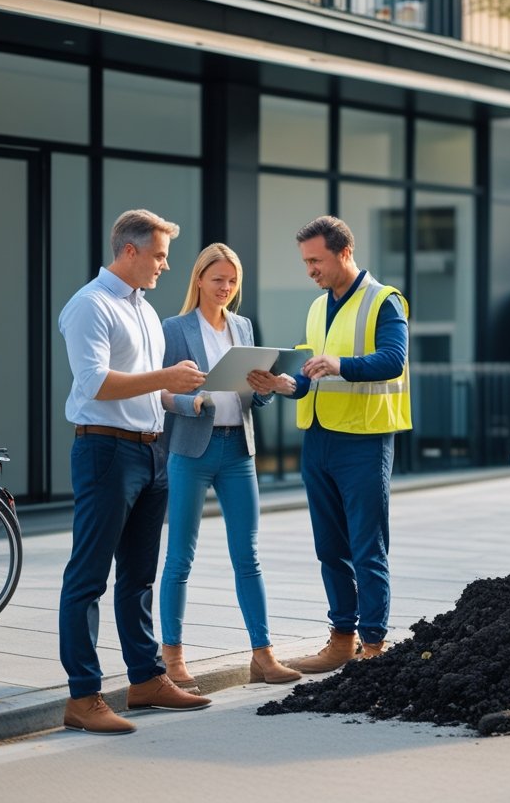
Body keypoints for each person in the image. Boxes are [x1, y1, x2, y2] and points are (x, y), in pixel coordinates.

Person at [58, 209, 211, 736]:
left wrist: (186, 396)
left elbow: (150, 387)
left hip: (153, 451)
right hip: (105, 453)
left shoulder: (144, 310)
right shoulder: (89, 306)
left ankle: (145, 679)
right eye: (161, 255)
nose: (166, 266)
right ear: (130, 251)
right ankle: (83, 697)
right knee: (88, 577)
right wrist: (165, 376)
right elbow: (97, 384)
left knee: (140, 576)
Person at [251, 215, 411, 673]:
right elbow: (310, 375)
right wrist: (286, 386)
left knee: (367, 546)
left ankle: (374, 645)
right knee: (329, 547)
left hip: (363, 440)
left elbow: (392, 360)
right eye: (305, 262)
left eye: (315, 260)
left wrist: (339, 363)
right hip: (319, 440)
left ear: (344, 252)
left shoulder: (384, 300)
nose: (310, 271)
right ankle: (341, 640)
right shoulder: (318, 308)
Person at [157, 243, 300, 690]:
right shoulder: (175, 329)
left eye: (232, 281)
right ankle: (173, 660)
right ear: (199, 279)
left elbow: (251, 397)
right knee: (180, 557)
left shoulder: (242, 326)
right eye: (218, 279)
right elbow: (159, 391)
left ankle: (263, 655)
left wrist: (267, 387)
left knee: (249, 557)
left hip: (238, 450)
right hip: (191, 450)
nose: (225, 288)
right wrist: (191, 399)